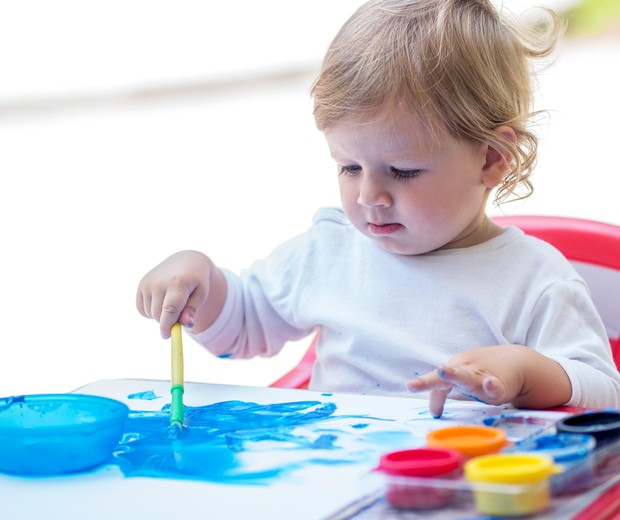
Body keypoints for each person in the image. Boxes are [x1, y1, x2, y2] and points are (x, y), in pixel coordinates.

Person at [136, 0, 620, 417]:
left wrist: (527, 372)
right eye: (348, 167)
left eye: (403, 171)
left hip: (466, 484)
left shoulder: (533, 280)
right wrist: (198, 281)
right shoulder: (331, 251)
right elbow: (242, 325)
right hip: (336, 477)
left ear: (490, 158)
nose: (368, 196)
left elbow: (604, 392)